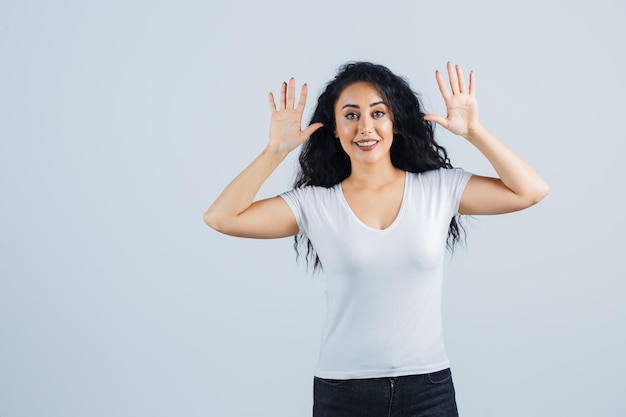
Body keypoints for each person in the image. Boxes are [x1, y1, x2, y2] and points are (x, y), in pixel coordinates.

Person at [203, 61, 549, 417]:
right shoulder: (315, 204)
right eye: (351, 115)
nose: (365, 127)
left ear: (394, 122)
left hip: (427, 388)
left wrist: (475, 131)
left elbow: (531, 191)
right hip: (343, 392)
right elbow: (221, 217)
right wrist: (274, 151)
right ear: (335, 129)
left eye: (378, 113)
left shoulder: (439, 189)